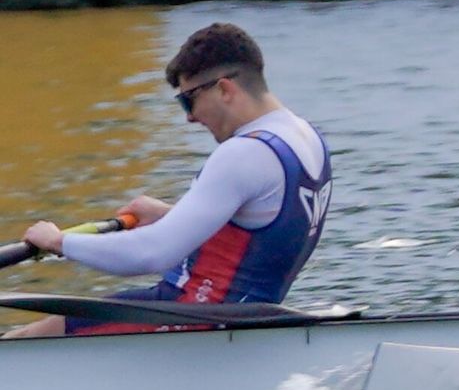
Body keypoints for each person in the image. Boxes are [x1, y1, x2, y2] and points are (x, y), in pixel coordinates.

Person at [6, 23, 332, 337]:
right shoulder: (306, 137)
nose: (190, 118)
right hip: (249, 318)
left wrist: (59, 242)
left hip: (191, 316)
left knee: (22, 342)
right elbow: (261, 228)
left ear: (224, 89)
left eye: (188, 100)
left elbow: (153, 254)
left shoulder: (244, 153)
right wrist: (170, 216)